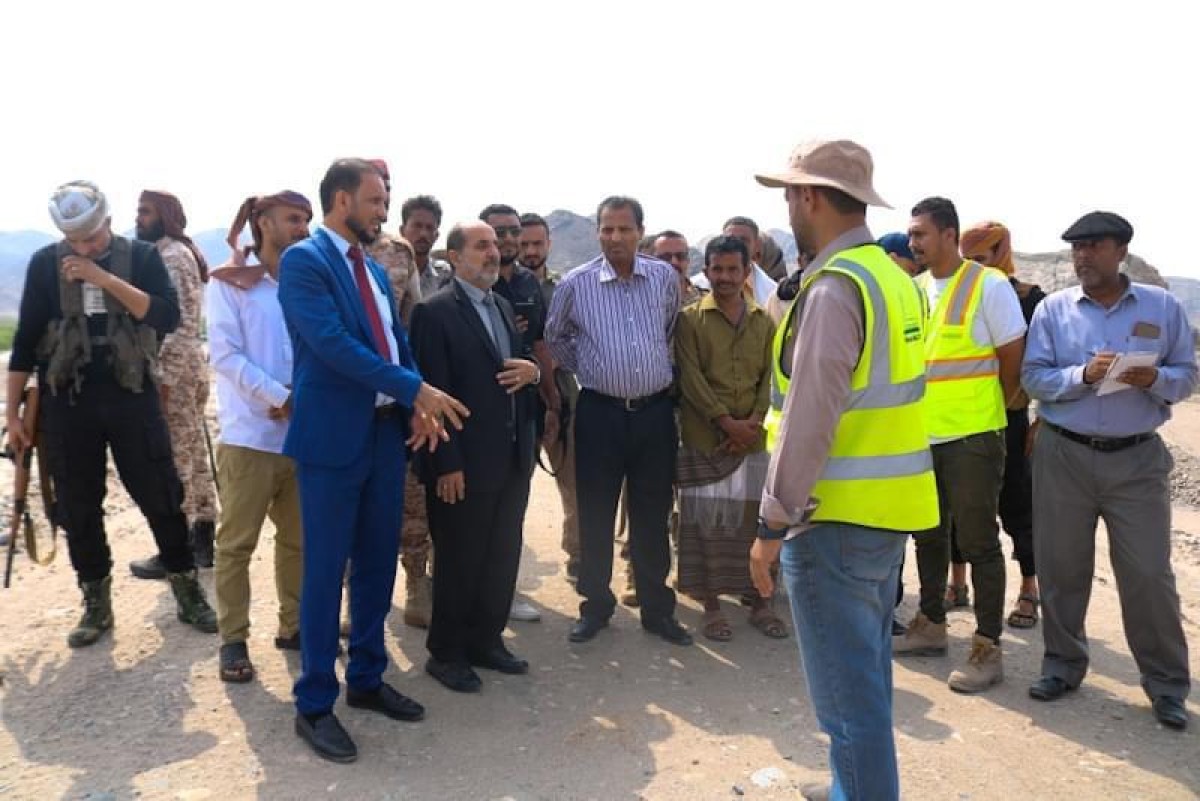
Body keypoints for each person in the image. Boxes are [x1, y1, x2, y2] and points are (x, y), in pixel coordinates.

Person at [749, 139, 937, 801]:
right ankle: (847, 789)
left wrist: (772, 522)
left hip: (830, 521)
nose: (788, 207)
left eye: (789, 194)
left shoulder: (835, 289)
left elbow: (808, 421)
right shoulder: (891, 277)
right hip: (885, 518)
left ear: (808, 197)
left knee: (848, 708)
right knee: (868, 685)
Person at [278, 158, 467, 763]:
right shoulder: (305, 263)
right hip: (332, 441)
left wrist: (412, 396)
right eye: (376, 200)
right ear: (340, 200)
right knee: (325, 571)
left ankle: (365, 678)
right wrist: (416, 390)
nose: (384, 211)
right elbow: (333, 345)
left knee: (378, 564)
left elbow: (397, 341)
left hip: (386, 439)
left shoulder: (378, 269)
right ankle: (313, 702)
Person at [6, 180, 217, 647]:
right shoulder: (45, 264)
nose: (85, 246)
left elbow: (164, 316)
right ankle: (96, 604)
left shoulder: (141, 258)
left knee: (161, 495)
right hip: (67, 403)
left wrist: (102, 278)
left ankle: (187, 591)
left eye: (93, 236)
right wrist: (14, 414)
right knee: (78, 507)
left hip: (132, 396)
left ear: (107, 221)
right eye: (76, 240)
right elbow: (25, 343)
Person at [1023, 211, 1195, 731]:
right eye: (1076, 248)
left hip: (1137, 460)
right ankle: (1063, 665)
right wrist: (1082, 374)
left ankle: (1166, 686)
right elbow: (1033, 377)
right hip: (1064, 455)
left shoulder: (1162, 308)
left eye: (1093, 246)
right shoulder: (1054, 310)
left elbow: (1188, 376)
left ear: (1121, 250)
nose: (1081, 257)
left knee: (1148, 574)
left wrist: (1155, 377)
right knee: (1061, 568)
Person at [893, 196, 1026, 694]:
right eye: (911, 235)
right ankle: (929, 624)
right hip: (922, 435)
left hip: (972, 436)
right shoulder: (916, 288)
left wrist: (1002, 410)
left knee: (977, 542)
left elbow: (1013, 358)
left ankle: (987, 647)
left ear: (949, 234)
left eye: (921, 234)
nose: (913, 243)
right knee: (927, 534)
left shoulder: (988, 285)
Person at [545, 195, 691, 647]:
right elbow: (557, 338)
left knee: (651, 512)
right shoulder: (577, 283)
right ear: (597, 232)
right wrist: (594, 367)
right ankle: (595, 605)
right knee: (595, 512)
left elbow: (668, 328)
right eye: (607, 229)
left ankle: (656, 609)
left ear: (640, 232)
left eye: (624, 229)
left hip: (653, 414)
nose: (615, 237)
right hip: (600, 413)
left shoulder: (664, 278)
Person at [410, 221, 541, 692]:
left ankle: (486, 641)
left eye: (495, 246)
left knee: (501, 557)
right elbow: (432, 397)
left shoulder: (503, 307)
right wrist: (447, 464)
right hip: (463, 465)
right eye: (482, 246)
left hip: (510, 458)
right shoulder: (434, 312)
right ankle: (446, 653)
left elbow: (515, 370)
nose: (494, 253)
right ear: (455, 256)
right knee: (460, 561)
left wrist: (531, 372)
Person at [206, 191, 312, 682]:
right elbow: (224, 356)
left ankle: (293, 627)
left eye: (307, 220)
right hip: (249, 438)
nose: (302, 228)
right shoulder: (230, 284)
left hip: (301, 438)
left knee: (298, 541)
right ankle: (233, 640)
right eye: (293, 219)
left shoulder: (305, 283)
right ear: (264, 223)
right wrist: (279, 396)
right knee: (236, 546)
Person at [675, 235, 783, 642]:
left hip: (752, 440)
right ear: (707, 271)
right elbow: (691, 377)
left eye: (732, 269)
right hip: (707, 438)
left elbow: (767, 379)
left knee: (751, 524)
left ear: (746, 271)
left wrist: (753, 421)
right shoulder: (690, 320)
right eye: (716, 269)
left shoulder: (763, 321)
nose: (723, 277)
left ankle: (759, 602)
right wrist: (726, 423)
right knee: (705, 524)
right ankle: (712, 606)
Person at [960, 221, 1045, 629]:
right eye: (968, 260)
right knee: (960, 505)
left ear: (1000, 254)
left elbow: (1047, 362)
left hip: (1010, 416)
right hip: (964, 417)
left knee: (1016, 502)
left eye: (980, 259)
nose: (974, 268)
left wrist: (1040, 419)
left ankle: (1030, 588)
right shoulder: (958, 293)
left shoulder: (1030, 300)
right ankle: (956, 584)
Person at [128, 190, 218, 578]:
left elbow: (181, 324)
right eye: (138, 211)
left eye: (145, 212)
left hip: (176, 371)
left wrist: (164, 379)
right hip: (185, 369)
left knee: (175, 459)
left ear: (165, 215)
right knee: (194, 454)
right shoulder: (171, 252)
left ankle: (176, 551)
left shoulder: (173, 256)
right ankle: (201, 539)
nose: (139, 218)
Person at [480, 203, 555, 623]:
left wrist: (552, 401)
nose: (507, 241)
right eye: (499, 234)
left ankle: (503, 595)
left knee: (512, 508)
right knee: (475, 511)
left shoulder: (528, 284)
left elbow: (540, 344)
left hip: (523, 409)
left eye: (513, 232)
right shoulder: (471, 284)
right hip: (480, 412)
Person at [520, 213, 583, 582]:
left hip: (565, 398)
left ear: (548, 244)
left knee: (575, 485)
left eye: (536, 244)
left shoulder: (566, 291)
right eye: (524, 244)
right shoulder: (503, 288)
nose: (530, 251)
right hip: (521, 403)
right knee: (513, 491)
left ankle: (578, 557)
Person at [690, 217, 778, 306]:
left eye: (744, 240)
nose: (737, 245)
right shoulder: (695, 286)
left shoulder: (772, 291)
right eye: (730, 239)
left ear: (756, 246)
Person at [400, 195, 451, 298]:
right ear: (402, 230)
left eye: (429, 228)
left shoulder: (445, 275)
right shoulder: (387, 270)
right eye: (417, 226)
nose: (423, 233)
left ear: (436, 236)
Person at [652, 230, 703, 306]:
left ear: (688, 261)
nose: (674, 262)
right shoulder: (640, 302)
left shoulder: (705, 300)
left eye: (680, 256)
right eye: (666, 257)